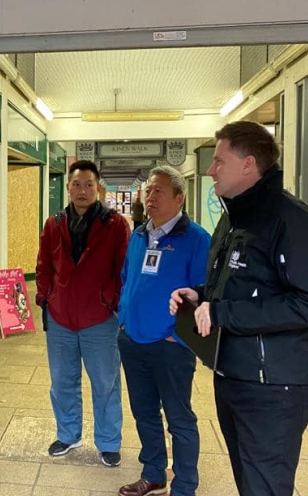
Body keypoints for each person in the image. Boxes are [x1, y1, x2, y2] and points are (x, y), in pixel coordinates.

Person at [170, 121, 308, 496]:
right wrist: (200, 297)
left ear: (248, 165)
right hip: (235, 373)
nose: (210, 169)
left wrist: (222, 314)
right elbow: (242, 285)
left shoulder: (291, 220)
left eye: (219, 160)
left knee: (266, 487)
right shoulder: (234, 219)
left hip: (274, 387)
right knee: (251, 484)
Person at [118, 166, 210, 496]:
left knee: (179, 419)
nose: (150, 196)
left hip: (172, 345)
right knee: (144, 413)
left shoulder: (197, 239)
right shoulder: (139, 234)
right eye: (148, 191)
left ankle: (184, 487)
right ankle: (154, 472)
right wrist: (123, 320)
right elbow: (127, 278)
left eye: (158, 191)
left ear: (179, 197)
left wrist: (178, 336)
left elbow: (202, 293)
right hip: (132, 339)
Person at [35, 160, 130, 467]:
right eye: (76, 184)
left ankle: (108, 441)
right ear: (68, 188)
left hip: (99, 319)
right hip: (61, 317)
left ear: (97, 188)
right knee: (62, 380)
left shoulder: (115, 225)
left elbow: (122, 269)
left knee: (105, 382)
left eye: (89, 184)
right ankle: (68, 434)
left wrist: (111, 302)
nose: (82, 190)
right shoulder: (54, 223)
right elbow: (43, 266)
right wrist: (46, 297)